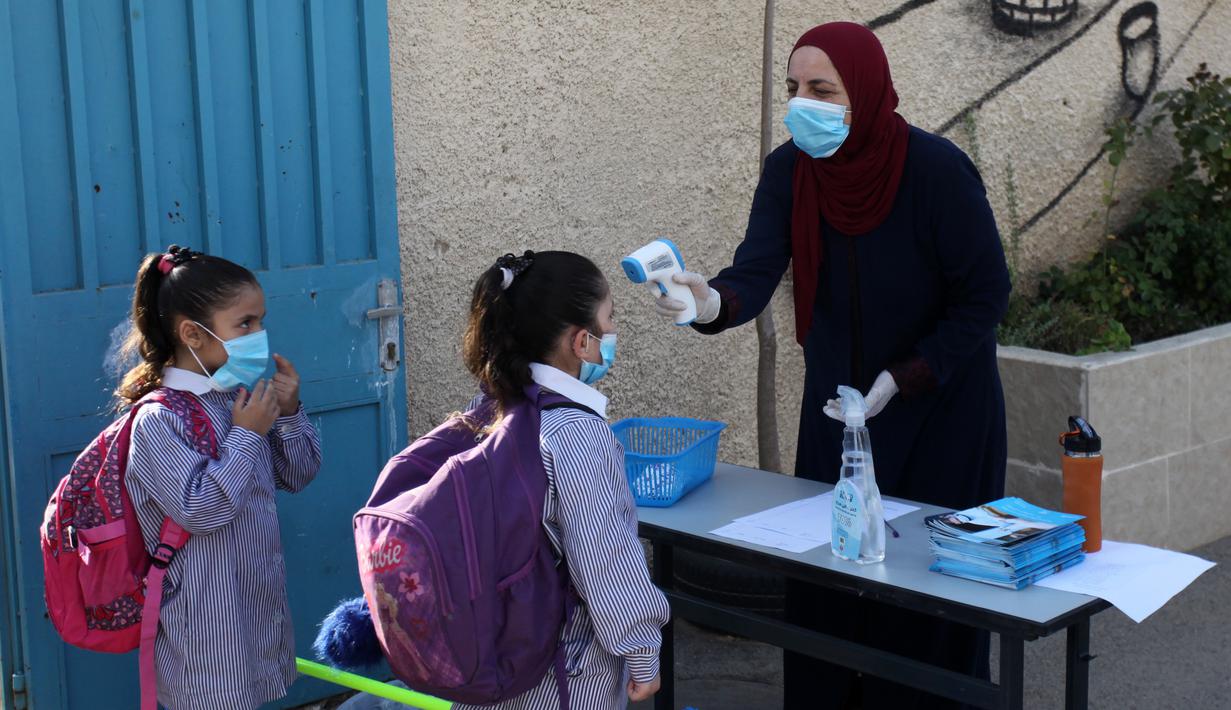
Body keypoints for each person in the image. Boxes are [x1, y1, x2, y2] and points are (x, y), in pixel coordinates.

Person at [653, 22, 1011, 709]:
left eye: (822, 89)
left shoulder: (935, 170)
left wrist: (901, 378)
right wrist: (709, 303)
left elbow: (985, 295)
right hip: (839, 414)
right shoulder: (790, 170)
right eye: (793, 87)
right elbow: (756, 270)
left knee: (929, 595)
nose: (801, 104)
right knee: (826, 580)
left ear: (865, 91)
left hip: (942, 413)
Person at [458, 250, 670, 709]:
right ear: (582, 341)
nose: (613, 331)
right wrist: (642, 651)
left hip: (488, 658)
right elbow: (605, 557)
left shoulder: (489, 409)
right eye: (610, 319)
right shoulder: (576, 433)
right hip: (563, 673)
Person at [116, 245, 321, 709]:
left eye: (261, 321)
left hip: (254, 623)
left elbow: (299, 473)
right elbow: (201, 510)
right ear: (193, 333)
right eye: (245, 323)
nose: (259, 335)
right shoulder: (158, 420)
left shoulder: (232, 399)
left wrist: (288, 411)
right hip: (205, 641)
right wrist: (247, 435)